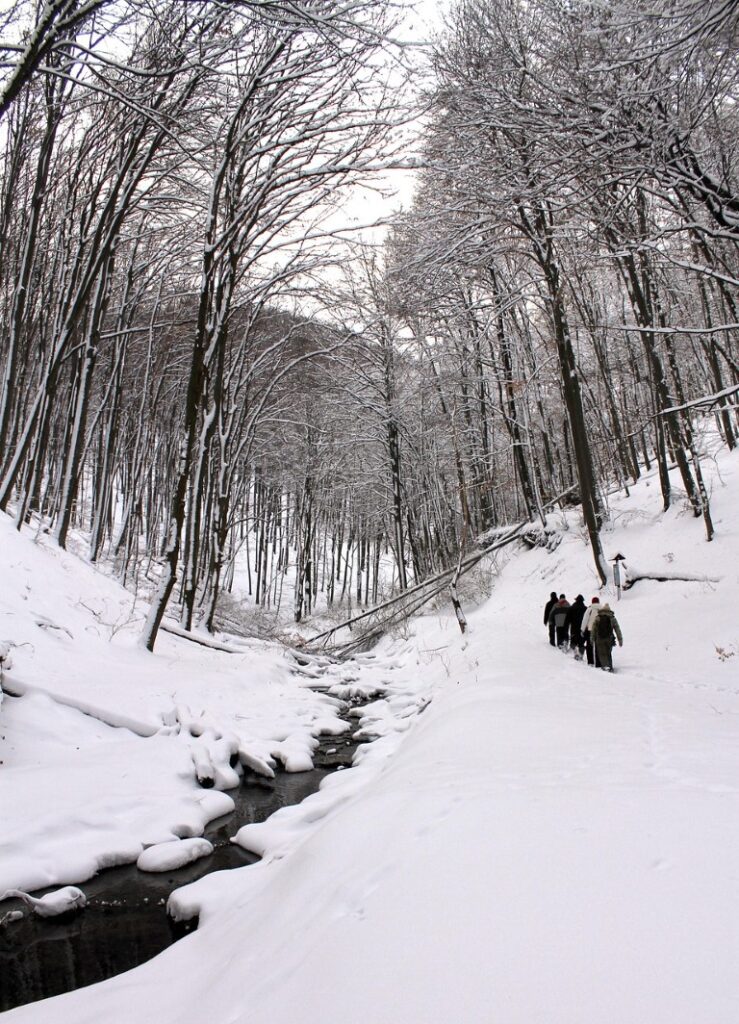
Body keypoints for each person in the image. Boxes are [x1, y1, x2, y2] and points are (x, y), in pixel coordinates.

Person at [590, 602, 623, 672]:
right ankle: (610, 667)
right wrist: (620, 639)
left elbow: (593, 629)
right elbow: (617, 629)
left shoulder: (598, 618)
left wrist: (592, 638)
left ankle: (605, 666)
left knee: (602, 653)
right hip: (609, 638)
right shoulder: (612, 618)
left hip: (599, 638)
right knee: (608, 653)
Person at [581, 597, 601, 667]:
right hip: (599, 631)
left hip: (590, 630)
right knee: (598, 647)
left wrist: (582, 629)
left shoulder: (589, 609)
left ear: (592, 602)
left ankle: (590, 662)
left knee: (589, 646)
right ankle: (598, 663)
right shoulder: (602, 609)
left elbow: (585, 620)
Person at [566, 594, 587, 659]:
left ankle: (574, 653)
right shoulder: (585, 609)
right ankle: (581, 654)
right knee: (581, 642)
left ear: (576, 600)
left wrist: (567, 626)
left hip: (574, 628)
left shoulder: (572, 608)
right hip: (582, 629)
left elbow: (567, 618)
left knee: (573, 641)